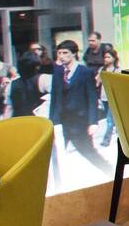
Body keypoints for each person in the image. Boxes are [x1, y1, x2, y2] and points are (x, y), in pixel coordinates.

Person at [49, 40, 110, 174]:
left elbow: (92, 98)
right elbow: (54, 97)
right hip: (61, 121)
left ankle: (109, 171)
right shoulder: (58, 72)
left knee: (87, 151)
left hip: (79, 121)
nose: (61, 56)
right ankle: (58, 183)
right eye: (59, 53)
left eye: (65, 53)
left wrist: (93, 121)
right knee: (55, 155)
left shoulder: (85, 72)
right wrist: (51, 121)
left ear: (74, 54)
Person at [7, 51, 50, 118]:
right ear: (37, 66)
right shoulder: (44, 78)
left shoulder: (12, 84)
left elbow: (9, 107)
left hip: (18, 119)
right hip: (38, 120)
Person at [97, 48, 121, 147]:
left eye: (108, 57)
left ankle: (106, 140)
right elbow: (97, 83)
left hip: (113, 97)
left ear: (114, 58)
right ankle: (120, 134)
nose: (106, 59)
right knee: (113, 118)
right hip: (103, 97)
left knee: (109, 120)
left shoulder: (117, 70)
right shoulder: (102, 70)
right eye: (105, 57)